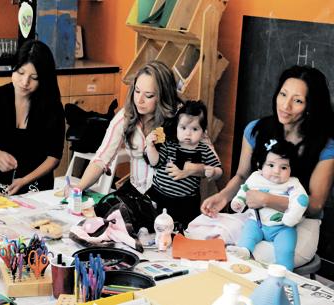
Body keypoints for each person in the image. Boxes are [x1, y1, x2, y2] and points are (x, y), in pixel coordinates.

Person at [201, 65, 334, 267]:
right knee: (201, 231)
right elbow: (243, 176)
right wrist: (224, 196)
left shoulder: (325, 145)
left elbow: (315, 206)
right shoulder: (256, 130)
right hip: (257, 219)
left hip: (299, 225)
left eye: (297, 100)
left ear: (309, 106)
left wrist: (268, 199)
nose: (285, 106)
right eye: (283, 94)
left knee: (254, 255)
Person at [64, 61, 208, 201]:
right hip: (137, 194)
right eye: (137, 91)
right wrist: (79, 188)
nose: (139, 100)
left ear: (163, 96)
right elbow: (101, 159)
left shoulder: (183, 118)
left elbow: (212, 166)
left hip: (172, 201)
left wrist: (190, 169)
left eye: (149, 95)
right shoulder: (126, 116)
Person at [0, 39, 65, 198]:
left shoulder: (52, 107)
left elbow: (53, 157)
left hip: (34, 183)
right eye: (20, 73)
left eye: (34, 77)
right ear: (13, 69)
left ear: (43, 79)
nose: (24, 82)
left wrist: (24, 181)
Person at [228, 139, 308, 271]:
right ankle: (244, 250)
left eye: (283, 167)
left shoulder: (292, 183)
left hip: (282, 227)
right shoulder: (256, 177)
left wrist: (292, 217)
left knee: (286, 249)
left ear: (291, 169)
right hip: (257, 223)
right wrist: (239, 202)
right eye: (271, 165)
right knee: (248, 233)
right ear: (261, 165)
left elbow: (301, 200)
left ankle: (285, 270)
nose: (276, 171)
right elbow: (245, 189)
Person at [145, 100, 222, 228]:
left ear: (203, 132)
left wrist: (213, 171)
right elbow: (155, 162)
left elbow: (219, 171)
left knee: (186, 229)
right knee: (153, 225)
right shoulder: (169, 144)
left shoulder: (204, 150)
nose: (188, 133)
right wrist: (150, 147)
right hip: (160, 195)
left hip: (186, 202)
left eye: (195, 129)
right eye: (183, 128)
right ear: (176, 128)